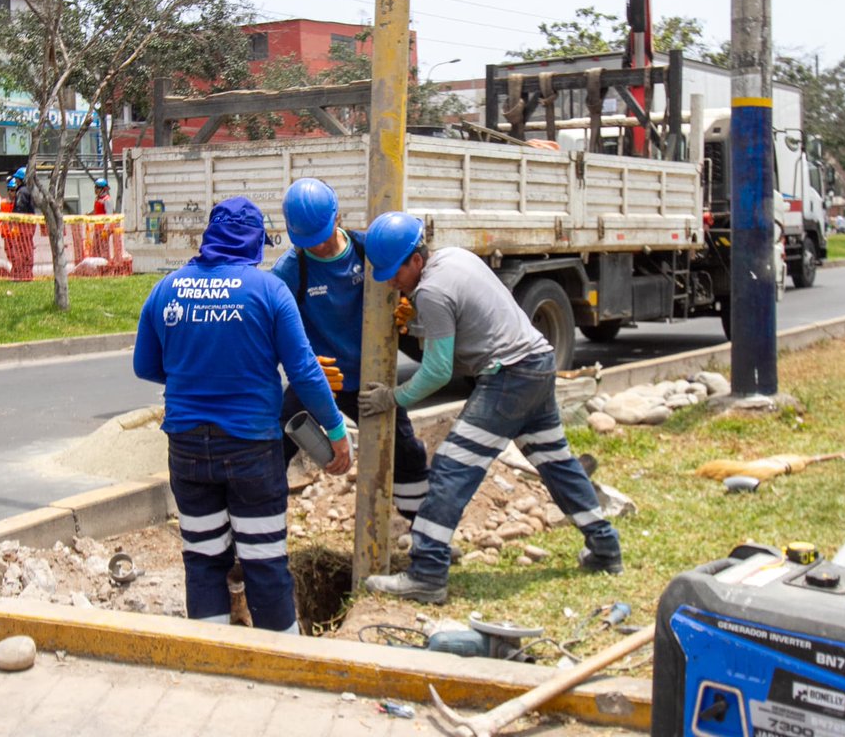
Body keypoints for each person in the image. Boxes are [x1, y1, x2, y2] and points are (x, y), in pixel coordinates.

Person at [358, 212, 623, 604]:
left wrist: (390, 397)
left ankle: (428, 573)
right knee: (555, 461)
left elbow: (436, 372)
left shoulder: (431, 292)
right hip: (538, 363)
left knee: (451, 468)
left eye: (394, 272)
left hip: (509, 378)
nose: (391, 282)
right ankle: (605, 547)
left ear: (416, 259)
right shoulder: (452, 257)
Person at [134, 196, 352, 634]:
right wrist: (335, 431)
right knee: (264, 562)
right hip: (252, 449)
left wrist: (192, 370)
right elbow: (306, 373)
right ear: (255, 242)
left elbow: (145, 366)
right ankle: (281, 664)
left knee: (202, 560)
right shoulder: (269, 290)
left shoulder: (166, 288)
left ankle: (214, 657)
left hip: (188, 450)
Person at [271, 178, 429, 519]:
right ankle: (256, 535)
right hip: (320, 381)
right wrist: (305, 363)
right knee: (273, 444)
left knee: (406, 451)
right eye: (309, 242)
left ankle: (424, 532)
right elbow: (272, 336)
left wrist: (406, 307)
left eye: (323, 237)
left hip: (369, 376)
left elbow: (404, 282)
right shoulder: (289, 272)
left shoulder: (367, 251)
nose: (319, 247)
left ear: (338, 218)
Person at [10, 166, 36, 280]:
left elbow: (19, 208)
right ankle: (27, 273)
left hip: (24, 224)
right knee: (28, 247)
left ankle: (24, 274)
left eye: (17, 179)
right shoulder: (31, 189)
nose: (16, 181)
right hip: (30, 224)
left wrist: (13, 221)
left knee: (24, 248)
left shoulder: (21, 191)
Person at [90, 178, 112, 261]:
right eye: (95, 187)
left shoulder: (107, 200)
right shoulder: (98, 199)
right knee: (96, 248)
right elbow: (96, 211)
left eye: (98, 187)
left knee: (103, 249)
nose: (95, 189)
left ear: (104, 189)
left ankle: (105, 266)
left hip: (103, 229)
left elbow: (109, 215)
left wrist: (105, 228)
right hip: (97, 228)